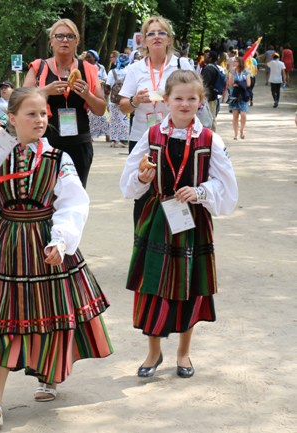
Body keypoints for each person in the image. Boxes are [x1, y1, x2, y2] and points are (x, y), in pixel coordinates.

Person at [0, 87, 112, 428]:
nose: (40, 120)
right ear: (12, 119)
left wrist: (60, 242)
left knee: (49, 314)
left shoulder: (57, 158)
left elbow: (73, 203)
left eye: (44, 114)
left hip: (44, 241)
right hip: (5, 244)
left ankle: (47, 375)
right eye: (32, 114)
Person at [119, 69, 238, 380]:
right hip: (158, 216)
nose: (185, 104)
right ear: (167, 100)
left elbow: (227, 189)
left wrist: (200, 192)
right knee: (152, 286)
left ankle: (183, 353)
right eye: (178, 98)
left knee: (190, 287)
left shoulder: (210, 139)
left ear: (201, 102)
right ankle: (153, 351)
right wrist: (142, 178)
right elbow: (130, 181)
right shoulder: (152, 135)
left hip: (192, 221)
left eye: (191, 99)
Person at [118, 15, 192, 222]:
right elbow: (123, 108)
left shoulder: (181, 64)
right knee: (143, 193)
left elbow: (197, 99)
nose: (157, 37)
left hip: (178, 137)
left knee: (177, 189)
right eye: (151, 33)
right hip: (144, 138)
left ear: (169, 39)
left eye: (162, 33)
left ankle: (176, 246)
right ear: (144, 40)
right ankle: (142, 246)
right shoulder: (135, 69)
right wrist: (135, 100)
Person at [23, 18, 106, 188]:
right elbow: (21, 100)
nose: (65, 40)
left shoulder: (88, 69)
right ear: (51, 41)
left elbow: (100, 109)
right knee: (45, 194)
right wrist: (45, 91)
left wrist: (87, 94)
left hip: (79, 143)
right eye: (59, 36)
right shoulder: (39, 66)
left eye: (70, 36)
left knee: (76, 196)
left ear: (77, 42)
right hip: (46, 141)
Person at [105, 53, 130, 147]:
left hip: (113, 99)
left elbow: (107, 87)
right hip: (125, 100)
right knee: (123, 119)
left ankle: (113, 140)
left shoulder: (112, 72)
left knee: (113, 119)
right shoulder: (129, 72)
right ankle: (123, 140)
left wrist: (108, 97)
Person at [85, 49, 109, 141]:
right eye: (86, 57)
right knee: (88, 115)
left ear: (95, 58)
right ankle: (89, 135)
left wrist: (99, 82)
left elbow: (105, 79)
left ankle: (106, 134)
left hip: (98, 94)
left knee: (101, 116)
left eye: (89, 57)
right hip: (87, 94)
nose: (87, 59)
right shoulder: (83, 66)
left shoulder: (101, 67)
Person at [228, 56, 251, 140]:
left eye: (236, 61)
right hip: (234, 96)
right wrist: (233, 74)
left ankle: (242, 130)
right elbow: (230, 84)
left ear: (240, 62)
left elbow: (248, 84)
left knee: (243, 114)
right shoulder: (231, 72)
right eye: (234, 61)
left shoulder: (246, 72)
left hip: (244, 95)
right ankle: (235, 134)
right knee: (235, 116)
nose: (234, 63)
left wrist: (237, 83)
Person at [200, 50, 222, 131]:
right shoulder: (215, 67)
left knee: (209, 117)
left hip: (208, 97)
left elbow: (204, 83)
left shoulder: (208, 69)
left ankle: (211, 136)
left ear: (210, 58)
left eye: (206, 56)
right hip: (213, 96)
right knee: (212, 116)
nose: (204, 57)